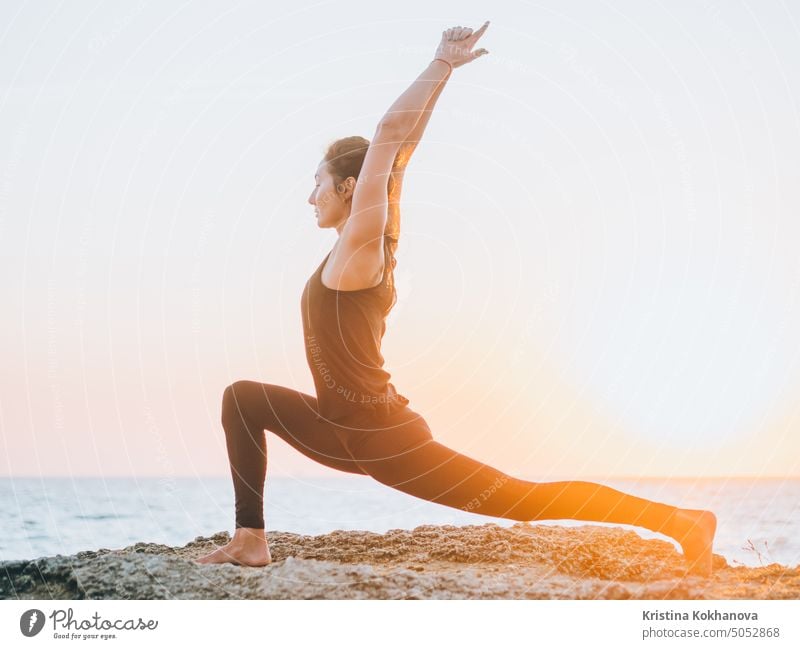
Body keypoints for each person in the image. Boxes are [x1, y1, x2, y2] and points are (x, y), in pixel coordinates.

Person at [196, 22, 717, 576]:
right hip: (338, 426)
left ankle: (683, 521)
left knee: (524, 500)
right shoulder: (360, 241)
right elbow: (401, 149)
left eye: (318, 182)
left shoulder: (362, 246)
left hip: (385, 442)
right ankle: (251, 538)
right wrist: (440, 82)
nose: (310, 197)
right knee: (243, 399)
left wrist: (441, 63)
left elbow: (390, 135)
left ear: (351, 188)